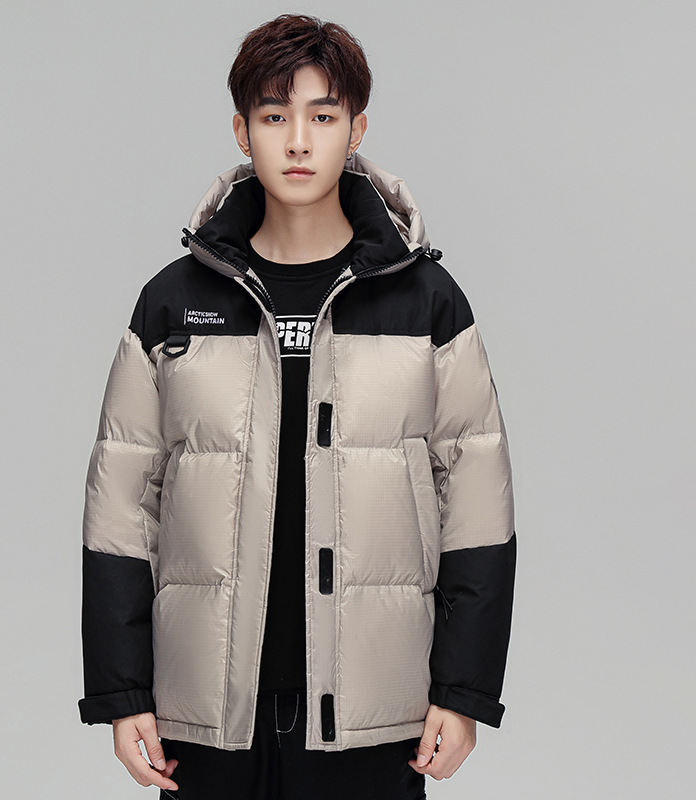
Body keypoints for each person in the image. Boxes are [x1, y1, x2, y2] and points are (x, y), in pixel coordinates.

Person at [77, 13, 517, 800]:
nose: (300, 142)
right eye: (276, 116)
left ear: (357, 130)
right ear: (242, 132)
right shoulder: (172, 304)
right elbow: (120, 508)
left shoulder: (428, 304)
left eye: (324, 115)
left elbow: (478, 507)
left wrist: (464, 690)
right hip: (205, 717)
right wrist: (122, 692)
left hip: (374, 716)